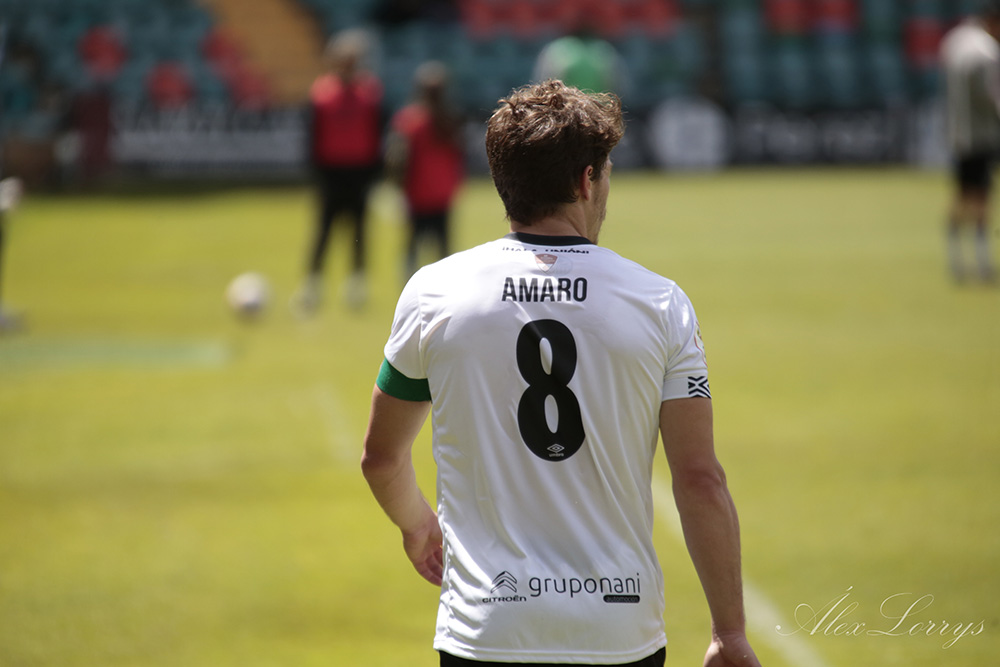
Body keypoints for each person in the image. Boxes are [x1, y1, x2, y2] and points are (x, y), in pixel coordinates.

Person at [361, 80, 761, 667]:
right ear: (586, 181)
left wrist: (417, 526)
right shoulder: (660, 302)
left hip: (488, 630)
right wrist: (729, 630)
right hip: (618, 632)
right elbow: (700, 479)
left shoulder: (435, 291)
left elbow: (381, 459)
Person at [295, 29, 382, 314]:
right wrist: (317, 172)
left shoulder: (369, 92)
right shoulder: (322, 93)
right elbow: (312, 136)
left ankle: (356, 285)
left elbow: (376, 133)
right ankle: (312, 285)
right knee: (324, 230)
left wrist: (374, 173)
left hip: (359, 172)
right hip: (331, 173)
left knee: (359, 230)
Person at [386, 61, 465, 280]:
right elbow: (459, 158)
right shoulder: (450, 118)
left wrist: (397, 187)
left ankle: (409, 288)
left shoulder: (409, 120)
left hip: (417, 194)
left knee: (412, 247)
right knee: (443, 250)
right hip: (442, 193)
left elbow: (397, 160)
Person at [940, 1, 1000, 283]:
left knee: (963, 195)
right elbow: (990, 96)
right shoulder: (986, 51)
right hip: (981, 135)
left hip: (959, 133)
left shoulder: (957, 40)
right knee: (980, 198)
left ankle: (957, 257)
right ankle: (982, 259)